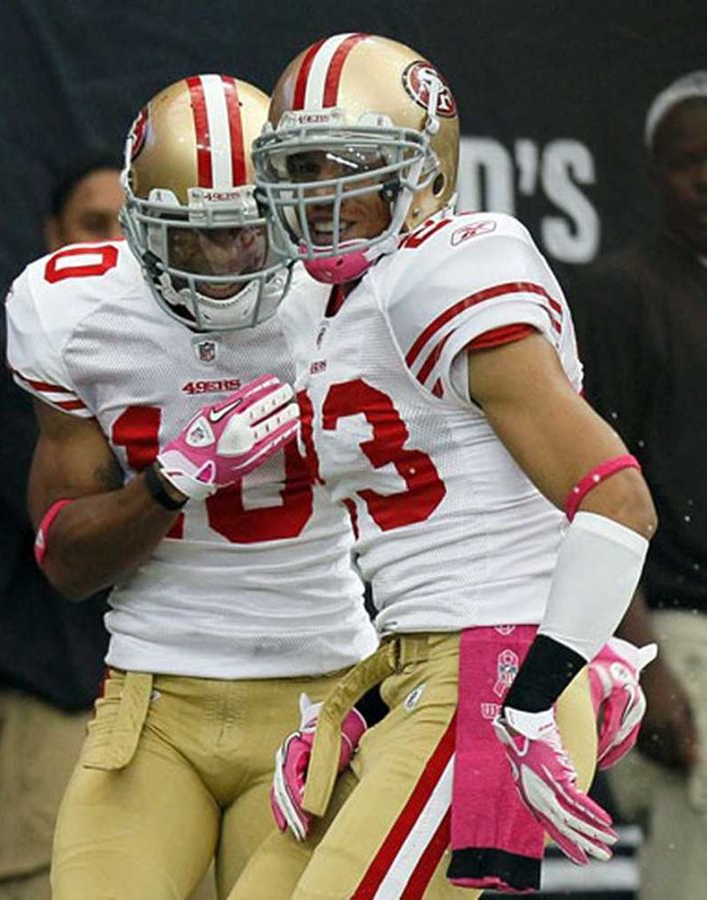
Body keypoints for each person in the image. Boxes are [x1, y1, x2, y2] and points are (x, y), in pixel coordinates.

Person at [227, 33, 657, 899]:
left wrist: (544, 683)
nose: (320, 194)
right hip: (417, 672)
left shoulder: (444, 269)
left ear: (422, 168)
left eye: (346, 164)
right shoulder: (321, 304)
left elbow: (618, 499)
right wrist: (372, 699)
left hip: (490, 681)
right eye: (300, 167)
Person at [5, 74, 378, 900]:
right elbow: (65, 562)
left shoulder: (354, 295)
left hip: (319, 688)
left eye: (246, 234)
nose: (222, 267)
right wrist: (169, 483)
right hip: (155, 696)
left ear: (286, 212)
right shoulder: (78, 311)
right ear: (138, 230)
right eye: (189, 240)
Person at [570, 71, 707, 900]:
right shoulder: (619, 295)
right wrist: (645, 663)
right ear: (655, 174)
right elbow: (590, 487)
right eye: (690, 161)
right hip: (683, 631)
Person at [0, 153, 123, 900]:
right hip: (55, 694)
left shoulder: (202, 348)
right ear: (50, 235)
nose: (109, 246)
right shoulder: (18, 359)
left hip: (182, 693)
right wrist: (176, 478)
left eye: (125, 227)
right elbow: (72, 528)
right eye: (90, 225)